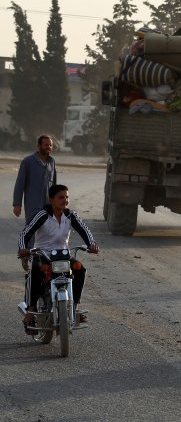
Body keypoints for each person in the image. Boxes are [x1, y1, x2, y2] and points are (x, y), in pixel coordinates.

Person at [17, 184, 99, 334]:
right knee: (35, 271)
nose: (65, 200)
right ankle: (30, 311)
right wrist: (23, 249)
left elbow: (84, 230)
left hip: (63, 256)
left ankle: (75, 306)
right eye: (61, 197)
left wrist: (91, 245)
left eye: (67, 197)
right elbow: (25, 233)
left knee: (80, 268)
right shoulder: (42, 215)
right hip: (43, 255)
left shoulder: (70, 215)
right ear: (51, 199)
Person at [13, 135, 57, 225]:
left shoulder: (52, 162)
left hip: (48, 206)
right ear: (39, 146)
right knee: (32, 233)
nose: (48, 147)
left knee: (46, 234)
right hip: (33, 206)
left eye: (50, 145)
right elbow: (20, 184)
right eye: (46, 145)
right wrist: (17, 204)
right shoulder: (28, 162)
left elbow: (54, 187)